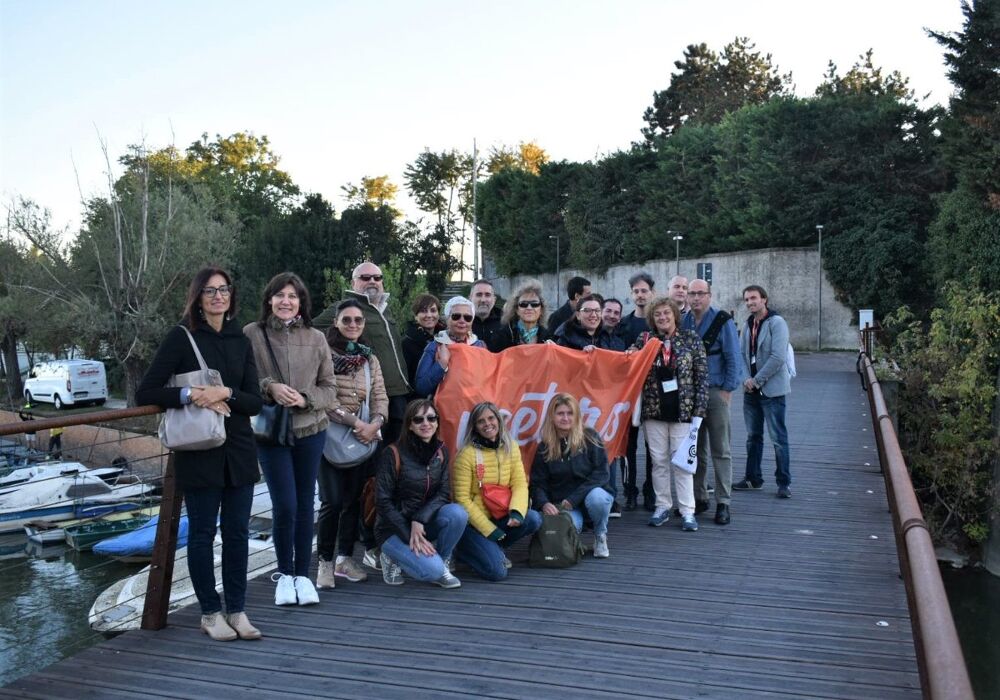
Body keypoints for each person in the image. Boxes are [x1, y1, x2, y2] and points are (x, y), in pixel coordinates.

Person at [137, 266, 264, 641]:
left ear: (232, 295)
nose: (218, 296)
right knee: (203, 534)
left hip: (239, 448)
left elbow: (254, 401)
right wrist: (188, 395)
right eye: (210, 291)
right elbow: (146, 393)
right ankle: (210, 613)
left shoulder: (241, 340)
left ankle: (237, 610)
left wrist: (225, 393)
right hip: (199, 450)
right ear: (198, 297)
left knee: (239, 532)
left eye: (224, 289)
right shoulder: (181, 338)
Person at [244, 272, 337, 607]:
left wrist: (305, 398)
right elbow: (243, 379)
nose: (286, 301)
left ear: (302, 302)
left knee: (303, 505)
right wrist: (269, 386)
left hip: (311, 430)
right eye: (280, 295)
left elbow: (330, 388)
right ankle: (284, 575)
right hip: (272, 431)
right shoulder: (252, 334)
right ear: (269, 299)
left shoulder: (316, 338)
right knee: (284, 505)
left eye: (293, 296)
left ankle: (302, 575)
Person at [315, 299, 389, 590]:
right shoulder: (322, 354)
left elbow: (380, 395)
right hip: (329, 437)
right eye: (347, 320)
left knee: (353, 502)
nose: (353, 325)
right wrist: (358, 424)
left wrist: (376, 423)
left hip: (363, 439)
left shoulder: (369, 358)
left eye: (358, 320)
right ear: (336, 322)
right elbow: (323, 397)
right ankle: (325, 562)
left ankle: (345, 558)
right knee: (331, 502)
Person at [628, 297, 708, 531]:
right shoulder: (645, 340)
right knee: (659, 463)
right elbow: (632, 368)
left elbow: (702, 377)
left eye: (666, 313)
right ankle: (662, 506)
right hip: (654, 411)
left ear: (674, 315)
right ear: (652, 319)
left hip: (683, 411)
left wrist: (699, 411)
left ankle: (687, 511)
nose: (662, 318)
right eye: (657, 315)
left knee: (682, 464)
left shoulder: (691, 339)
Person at [314, 262, 411, 447]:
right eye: (365, 278)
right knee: (368, 451)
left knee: (395, 452)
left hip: (398, 395)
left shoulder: (385, 309)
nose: (372, 281)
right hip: (368, 398)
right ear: (353, 283)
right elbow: (310, 330)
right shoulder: (344, 307)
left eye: (377, 277)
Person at [375, 399, 467, 588]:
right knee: (432, 572)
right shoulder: (392, 453)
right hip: (392, 528)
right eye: (418, 420)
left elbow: (444, 492)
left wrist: (419, 519)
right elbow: (382, 502)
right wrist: (408, 532)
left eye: (431, 418)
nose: (426, 423)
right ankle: (390, 556)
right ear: (409, 424)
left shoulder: (441, 451)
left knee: (458, 513)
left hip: (422, 523)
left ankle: (440, 561)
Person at [452, 402, 542, 581]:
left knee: (532, 518)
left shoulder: (511, 446)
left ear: (499, 420)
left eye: (491, 418)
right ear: (475, 427)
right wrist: (489, 530)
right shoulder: (466, 455)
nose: (488, 424)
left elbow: (519, 484)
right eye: (481, 421)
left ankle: (492, 548)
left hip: (500, 515)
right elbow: (461, 499)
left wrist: (516, 512)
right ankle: (464, 550)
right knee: (497, 573)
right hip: (474, 525)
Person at [683, 279, 741, 525]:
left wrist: (728, 389)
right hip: (692, 394)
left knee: (721, 449)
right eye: (692, 294)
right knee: (696, 450)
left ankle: (723, 501)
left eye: (700, 294)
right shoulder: (684, 320)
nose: (696, 298)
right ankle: (698, 497)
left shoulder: (722, 320)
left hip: (716, 390)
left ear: (709, 295)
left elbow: (733, 356)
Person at [530, 393, 614, 558]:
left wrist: (574, 498)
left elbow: (602, 473)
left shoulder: (590, 437)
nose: (565, 418)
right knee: (567, 529)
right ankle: (577, 534)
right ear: (552, 417)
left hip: (588, 497)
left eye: (570, 413)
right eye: (560, 413)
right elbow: (537, 483)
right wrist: (544, 503)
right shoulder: (544, 447)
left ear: (577, 416)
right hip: (563, 504)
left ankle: (600, 535)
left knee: (599, 498)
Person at [734, 284, 792, 498]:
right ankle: (753, 479)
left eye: (753, 298)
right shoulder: (748, 324)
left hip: (771, 391)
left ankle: (784, 482)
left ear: (764, 299)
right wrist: (745, 379)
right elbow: (740, 354)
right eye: (747, 299)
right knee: (753, 437)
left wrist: (756, 380)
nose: (750, 302)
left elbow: (778, 357)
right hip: (750, 391)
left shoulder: (777, 323)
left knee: (778, 438)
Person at [619, 272, 656, 512]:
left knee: (653, 446)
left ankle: (650, 490)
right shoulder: (625, 323)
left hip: (653, 391)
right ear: (632, 294)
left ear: (652, 292)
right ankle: (630, 490)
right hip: (630, 392)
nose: (640, 295)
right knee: (628, 446)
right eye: (636, 291)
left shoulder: (658, 321)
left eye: (644, 291)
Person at [414, 296, 487, 396]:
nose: (462, 321)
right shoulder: (435, 346)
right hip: (444, 407)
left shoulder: (479, 346)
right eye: (456, 316)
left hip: (473, 406)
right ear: (447, 319)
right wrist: (441, 364)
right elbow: (421, 388)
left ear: (472, 321)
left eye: (467, 317)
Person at [489, 278, 553, 352]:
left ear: (541, 309)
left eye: (534, 304)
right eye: (523, 304)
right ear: (516, 310)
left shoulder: (548, 337)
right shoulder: (502, 336)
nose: (529, 308)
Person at [554, 295, 626, 352]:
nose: (593, 315)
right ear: (578, 315)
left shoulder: (606, 337)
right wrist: (581, 354)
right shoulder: (565, 337)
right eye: (587, 310)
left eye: (597, 310)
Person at [401, 293, 442, 391]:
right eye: (423, 311)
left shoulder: (445, 339)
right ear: (416, 316)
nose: (429, 315)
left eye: (433, 310)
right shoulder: (406, 343)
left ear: (438, 314)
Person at [470, 279, 504, 351]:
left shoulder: (506, 321)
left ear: (494, 300)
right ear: (470, 298)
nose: (483, 300)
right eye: (479, 295)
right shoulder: (460, 320)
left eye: (487, 295)